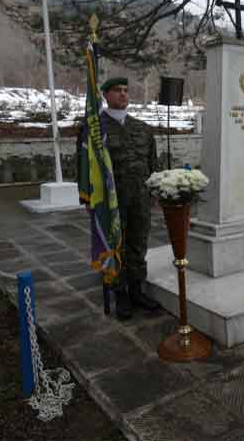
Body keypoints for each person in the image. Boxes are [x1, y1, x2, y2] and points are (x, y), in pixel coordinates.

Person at [82, 77, 160, 320]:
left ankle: (137, 289)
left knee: (138, 243)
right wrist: (88, 199)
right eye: (117, 90)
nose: (123, 94)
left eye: (126, 90)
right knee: (116, 245)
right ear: (106, 95)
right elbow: (84, 165)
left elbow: (152, 163)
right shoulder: (95, 129)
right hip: (112, 201)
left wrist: (155, 192)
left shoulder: (142, 128)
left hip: (140, 198)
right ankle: (121, 293)